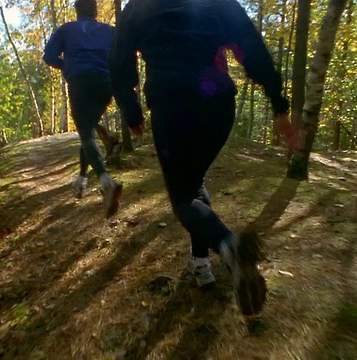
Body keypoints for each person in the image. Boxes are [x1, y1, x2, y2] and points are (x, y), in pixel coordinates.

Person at [109, 0, 302, 313]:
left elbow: (119, 63)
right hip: (217, 107)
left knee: (183, 198)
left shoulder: (137, 7)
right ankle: (200, 263)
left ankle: (229, 246)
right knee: (194, 180)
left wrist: (131, 111)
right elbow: (250, 48)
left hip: (172, 108)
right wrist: (279, 105)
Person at [43, 0, 122, 217]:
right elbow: (120, 57)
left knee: (86, 132)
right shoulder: (110, 31)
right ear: (96, 11)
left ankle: (106, 181)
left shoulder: (66, 29)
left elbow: (48, 56)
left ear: (76, 11)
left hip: (79, 82)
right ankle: (82, 179)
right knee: (87, 128)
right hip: (105, 83)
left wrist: (67, 66)